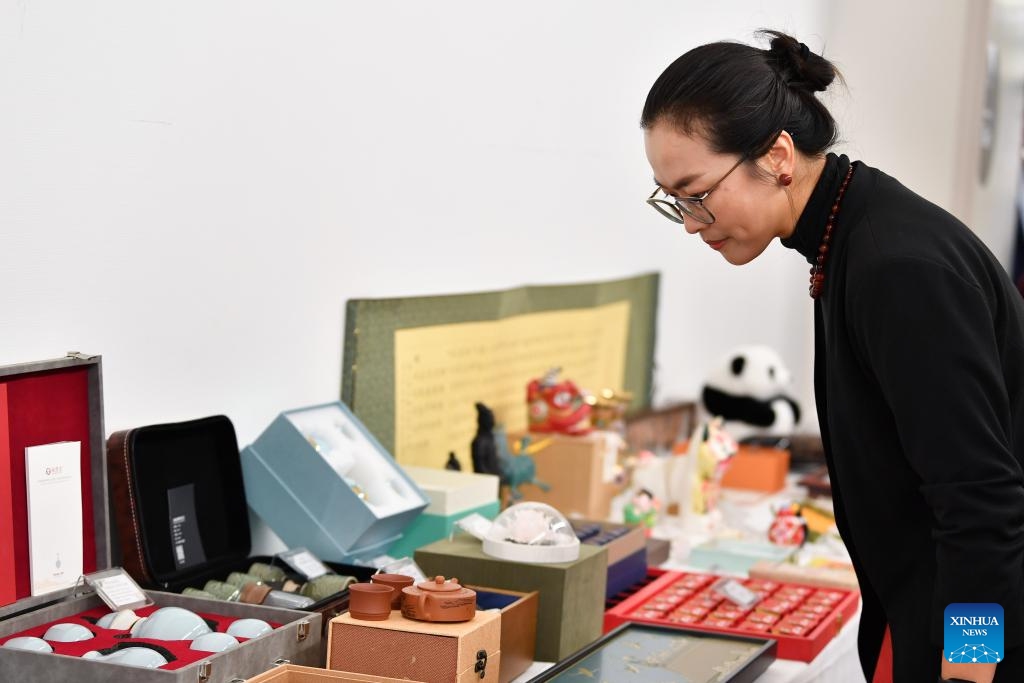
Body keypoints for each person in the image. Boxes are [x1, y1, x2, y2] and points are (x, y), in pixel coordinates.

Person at [641, 31, 1024, 683]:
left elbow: (981, 503)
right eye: (672, 197)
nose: (689, 219)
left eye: (697, 191)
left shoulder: (897, 269)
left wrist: (967, 669)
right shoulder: (846, 235)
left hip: (973, 638)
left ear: (778, 155)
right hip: (917, 602)